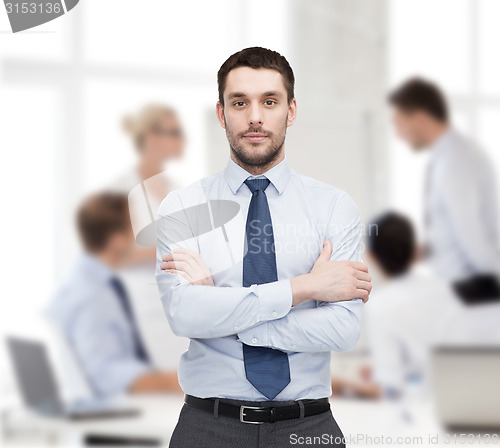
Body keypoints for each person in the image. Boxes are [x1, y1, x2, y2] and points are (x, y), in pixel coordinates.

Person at [155, 47, 372, 448]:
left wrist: (222, 312)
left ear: (290, 111)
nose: (255, 116)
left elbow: (344, 328)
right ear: (221, 113)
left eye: (269, 102)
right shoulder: (184, 207)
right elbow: (184, 315)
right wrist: (305, 288)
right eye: (240, 102)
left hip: (309, 427)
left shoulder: (333, 207)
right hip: (207, 428)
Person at [46, 193, 182, 397]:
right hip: (110, 417)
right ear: (117, 240)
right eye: (133, 229)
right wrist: (180, 382)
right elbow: (108, 373)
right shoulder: (93, 295)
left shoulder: (85, 284)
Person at [388, 78, 500, 302]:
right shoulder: (451, 157)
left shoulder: (455, 162)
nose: (398, 134)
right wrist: (429, 249)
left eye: (399, 123)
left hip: (470, 293)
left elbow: (473, 236)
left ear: (420, 118)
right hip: (463, 289)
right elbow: (460, 227)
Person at [332, 212, 459, 400]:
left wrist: (341, 385)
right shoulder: (445, 290)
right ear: (417, 250)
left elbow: (390, 391)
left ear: (371, 256)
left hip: (419, 412)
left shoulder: (382, 305)